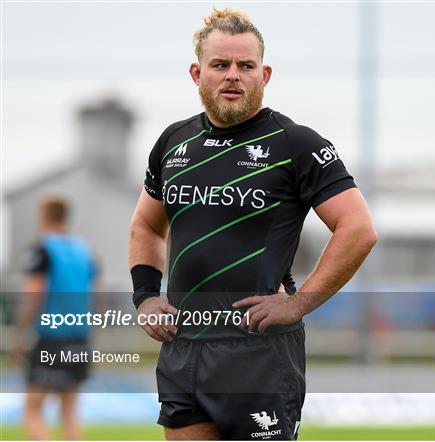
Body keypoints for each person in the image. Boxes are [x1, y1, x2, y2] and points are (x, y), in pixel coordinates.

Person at [128, 8, 377, 441]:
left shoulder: (295, 144)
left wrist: (299, 304)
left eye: (245, 66)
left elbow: (357, 228)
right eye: (220, 65)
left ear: (265, 74)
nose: (233, 76)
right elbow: (146, 227)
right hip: (183, 348)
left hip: (257, 351)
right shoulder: (173, 142)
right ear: (196, 72)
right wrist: (147, 298)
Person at [11, 195, 99, 440]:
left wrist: (19, 333)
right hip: (79, 339)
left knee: (31, 411)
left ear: (43, 217)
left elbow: (35, 293)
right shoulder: (84, 252)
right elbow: (95, 296)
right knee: (69, 413)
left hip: (50, 338)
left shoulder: (42, 250)